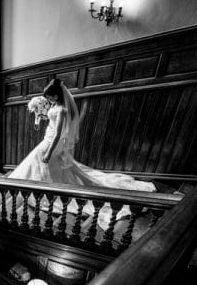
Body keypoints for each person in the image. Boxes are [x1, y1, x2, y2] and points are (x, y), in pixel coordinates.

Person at [8, 78, 156, 229]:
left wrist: (49, 152)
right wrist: (38, 117)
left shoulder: (62, 110)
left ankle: (49, 192)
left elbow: (58, 133)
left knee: (43, 161)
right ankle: (38, 187)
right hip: (48, 138)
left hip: (51, 143)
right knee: (43, 164)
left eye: (50, 97)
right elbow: (50, 120)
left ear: (57, 96)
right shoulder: (54, 106)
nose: (48, 100)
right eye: (47, 97)